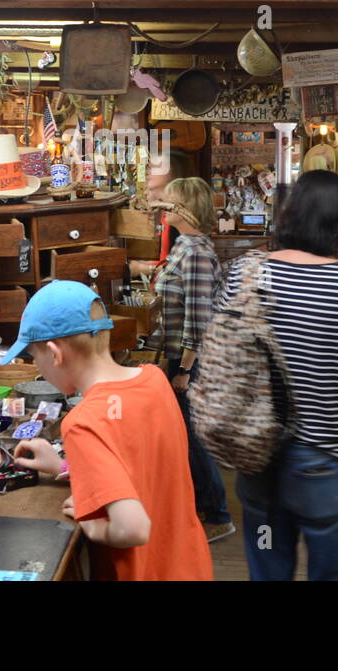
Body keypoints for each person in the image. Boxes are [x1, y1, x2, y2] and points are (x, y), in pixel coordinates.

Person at [220, 170, 338, 581]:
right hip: (327, 464)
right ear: (335, 221)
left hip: (256, 456)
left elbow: (228, 358)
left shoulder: (245, 273)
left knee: (267, 568)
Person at [9, 281, 213, 581]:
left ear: (54, 354)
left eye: (33, 356)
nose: (37, 366)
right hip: (188, 565)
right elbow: (138, 467)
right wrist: (67, 466)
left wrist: (91, 524)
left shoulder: (82, 423)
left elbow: (132, 528)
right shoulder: (154, 380)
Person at [131, 177, 233, 543]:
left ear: (186, 207)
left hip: (192, 362)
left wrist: (186, 370)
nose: (164, 205)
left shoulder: (197, 253)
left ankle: (218, 515)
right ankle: (200, 509)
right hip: (178, 356)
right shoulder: (183, 247)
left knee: (194, 438)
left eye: (171, 201)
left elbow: (199, 319)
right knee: (185, 436)